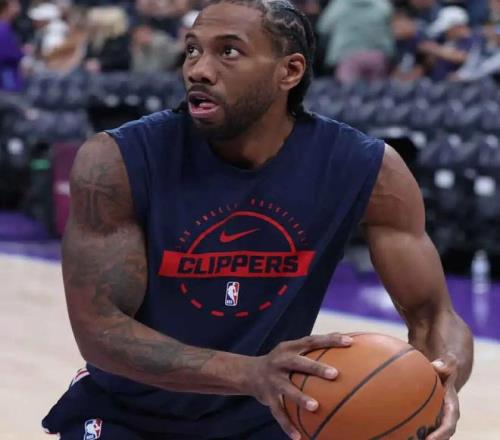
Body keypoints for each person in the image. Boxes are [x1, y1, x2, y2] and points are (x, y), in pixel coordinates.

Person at [42, 1, 473, 439]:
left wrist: (441, 380)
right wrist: (249, 373)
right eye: (192, 50)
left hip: (270, 415)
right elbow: (100, 329)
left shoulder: (366, 168)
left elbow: (433, 314)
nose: (198, 70)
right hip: (125, 413)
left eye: (228, 51)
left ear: (290, 71)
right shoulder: (118, 159)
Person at [316, 0, 395, 84]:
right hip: (376, 55)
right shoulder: (382, 4)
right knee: (378, 89)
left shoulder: (339, 4)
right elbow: (392, 26)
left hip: (347, 55)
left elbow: (323, 27)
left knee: (348, 89)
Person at [0, 0, 23, 91]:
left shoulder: (7, 26)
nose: (18, 8)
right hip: (6, 77)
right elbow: (5, 54)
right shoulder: (2, 28)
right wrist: (22, 53)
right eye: (14, 5)